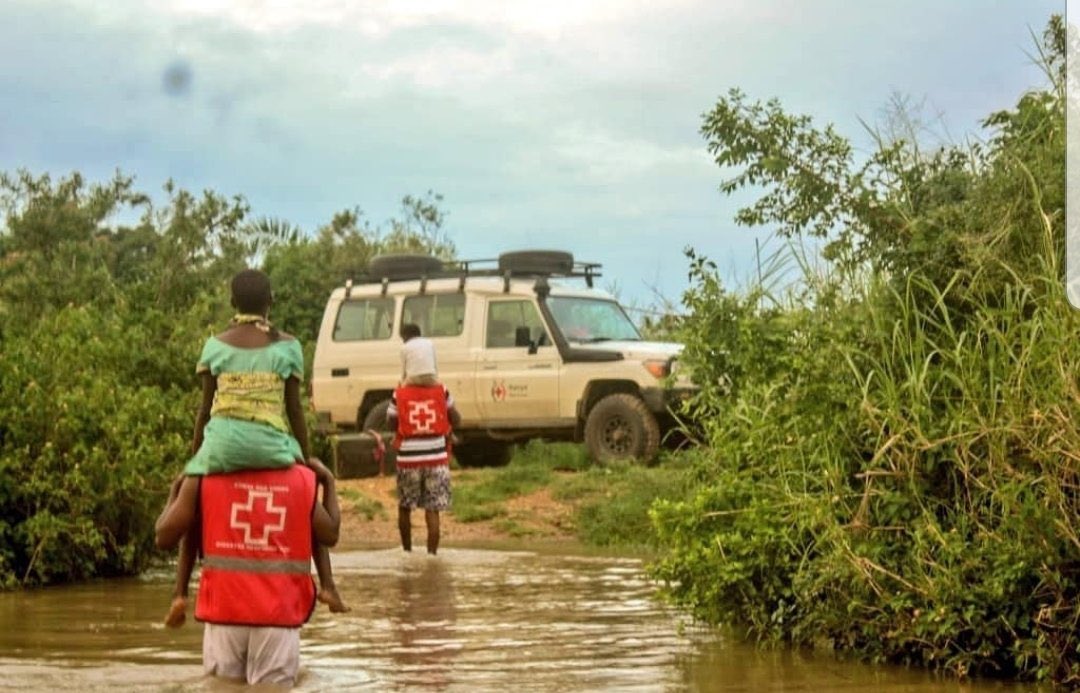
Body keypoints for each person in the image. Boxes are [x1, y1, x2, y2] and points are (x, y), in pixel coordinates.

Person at [166, 269, 347, 628]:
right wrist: (305, 458)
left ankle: (180, 594)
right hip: (272, 447)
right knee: (305, 498)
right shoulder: (289, 346)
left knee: (194, 516)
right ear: (271, 302)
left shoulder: (214, 346)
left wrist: (196, 458)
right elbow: (295, 409)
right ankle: (327, 585)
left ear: (232, 303)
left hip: (220, 448)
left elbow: (205, 410)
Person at [155, 457, 341, 687]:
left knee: (221, 687)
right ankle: (329, 588)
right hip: (278, 616)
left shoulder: (205, 477)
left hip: (225, 612)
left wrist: (176, 490)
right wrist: (328, 481)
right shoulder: (301, 479)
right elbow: (330, 534)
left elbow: (164, 537)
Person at [387, 374, 461, 555]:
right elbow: (457, 419)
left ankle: (406, 552)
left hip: (408, 459)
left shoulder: (399, 394)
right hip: (436, 458)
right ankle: (432, 555)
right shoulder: (442, 391)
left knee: (405, 506)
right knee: (432, 509)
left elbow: (390, 424)